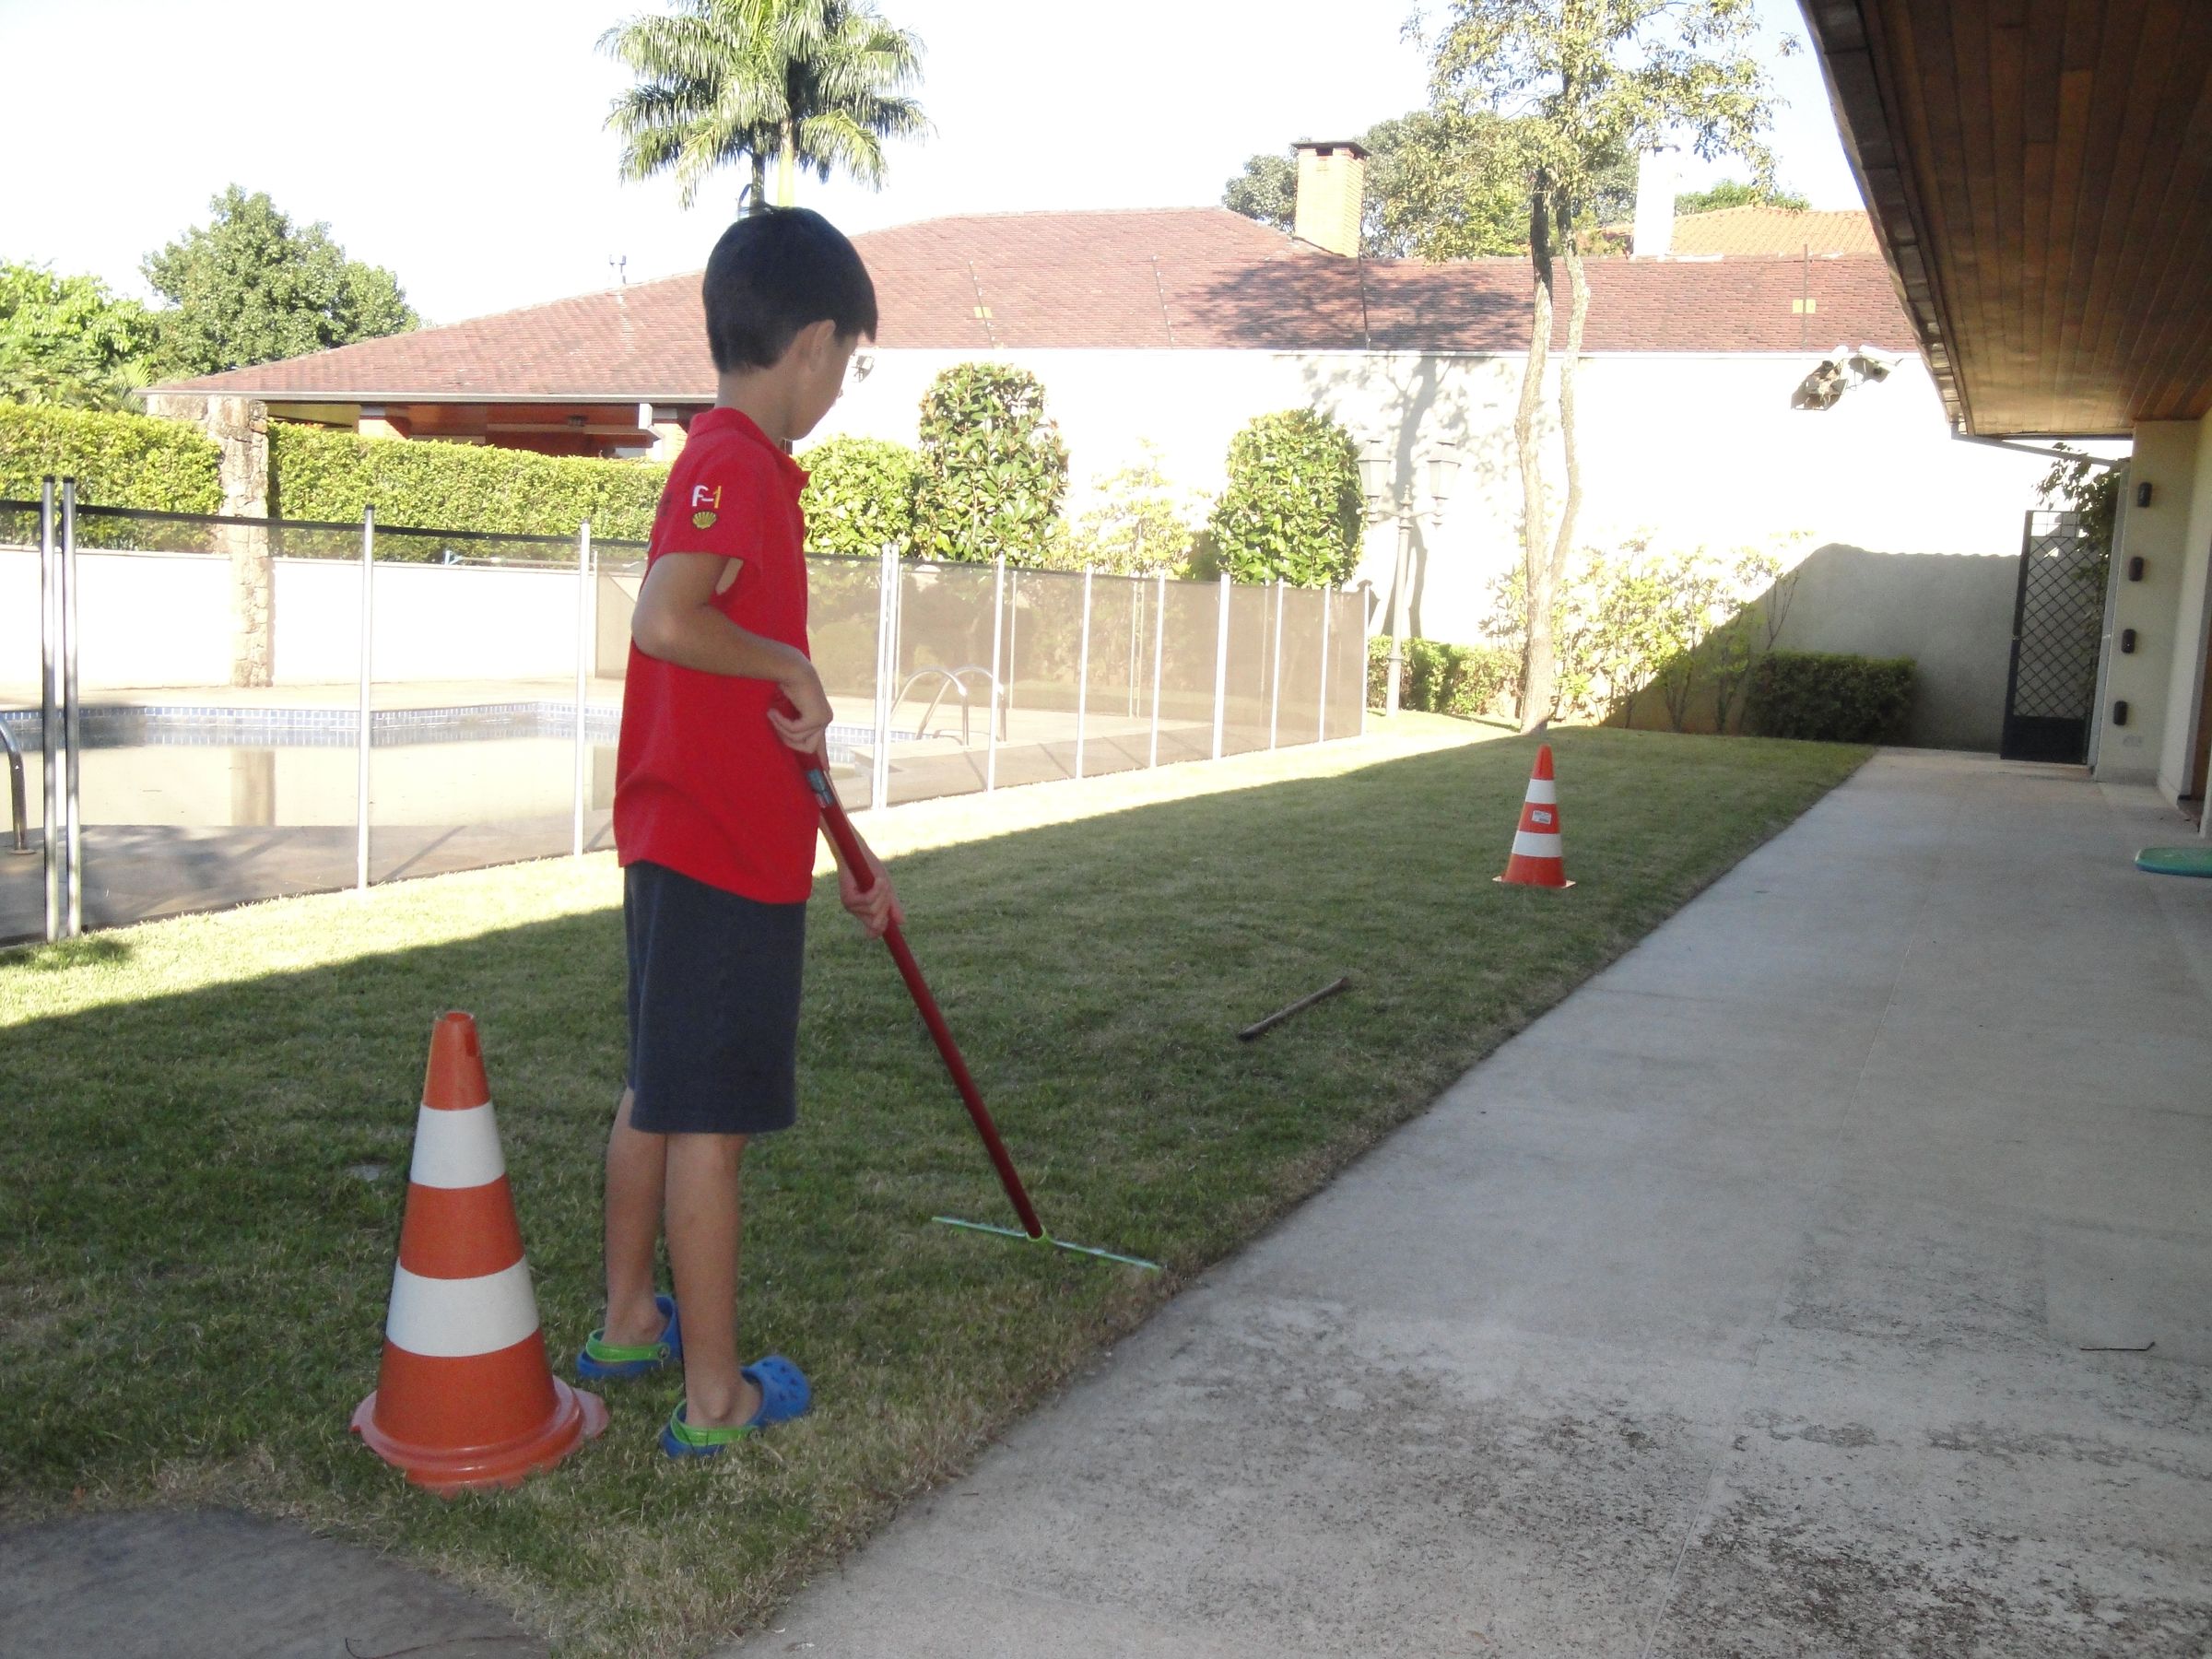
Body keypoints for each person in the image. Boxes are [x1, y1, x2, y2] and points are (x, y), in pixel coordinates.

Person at [577, 207, 902, 1458]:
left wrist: (856, 864)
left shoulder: (732, 463)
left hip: (692, 835)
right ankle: (716, 1397)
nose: (839, 386)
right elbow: (667, 618)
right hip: (717, 853)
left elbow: (767, 715)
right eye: (850, 362)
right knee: (708, 1117)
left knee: (660, 1090)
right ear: (814, 344)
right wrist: (787, 656)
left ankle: (626, 1320)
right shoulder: (735, 462)